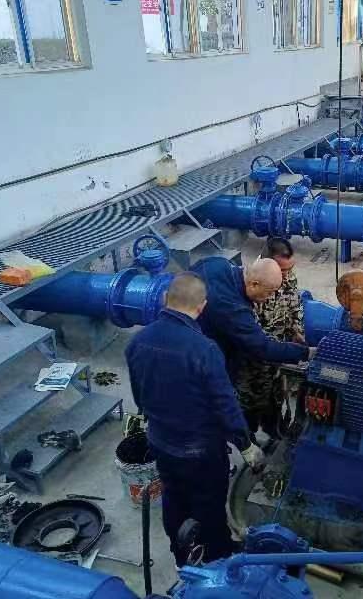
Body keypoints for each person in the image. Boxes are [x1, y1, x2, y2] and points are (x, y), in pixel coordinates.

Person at [125, 273, 264, 567]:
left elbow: (139, 398)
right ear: (201, 307)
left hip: (161, 442)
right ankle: (216, 560)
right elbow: (226, 406)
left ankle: (181, 556)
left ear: (166, 299)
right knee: (209, 505)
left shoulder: (137, 342)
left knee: (174, 498)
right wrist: (246, 445)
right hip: (201, 451)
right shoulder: (204, 350)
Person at [191, 256, 312, 385]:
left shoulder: (217, 263)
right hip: (201, 362)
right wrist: (306, 352)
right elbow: (262, 347)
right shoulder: (234, 310)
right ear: (254, 284)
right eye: (269, 292)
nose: (270, 298)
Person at [235, 238, 305, 437]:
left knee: (276, 399)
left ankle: (274, 430)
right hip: (254, 363)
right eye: (283, 271)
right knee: (250, 405)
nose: (288, 275)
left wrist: (296, 329)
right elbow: (252, 335)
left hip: (278, 355)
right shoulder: (251, 284)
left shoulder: (287, 275)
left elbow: (295, 303)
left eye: (290, 269)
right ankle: (249, 440)